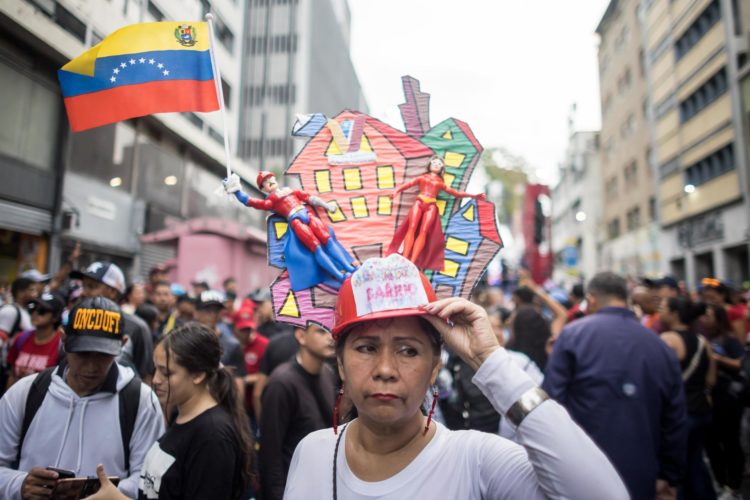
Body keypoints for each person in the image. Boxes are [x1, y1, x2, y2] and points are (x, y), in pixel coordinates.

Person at [284, 255, 627, 499]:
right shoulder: (311, 451)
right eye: (366, 348)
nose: (385, 370)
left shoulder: (478, 462)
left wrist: (489, 360)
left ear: (436, 367)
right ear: (340, 364)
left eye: (408, 351)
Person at [0, 296, 164, 499]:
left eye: (103, 355)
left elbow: (147, 478)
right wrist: (20, 485)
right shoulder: (26, 392)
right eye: (83, 353)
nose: (91, 366)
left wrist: (108, 495)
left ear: (123, 344)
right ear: (63, 340)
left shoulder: (141, 401)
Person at [543, 271, 687, 500]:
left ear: (590, 300)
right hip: (643, 472)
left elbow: (550, 405)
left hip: (583, 471)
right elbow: (675, 418)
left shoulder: (572, 336)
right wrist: (669, 475)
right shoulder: (659, 345)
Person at [89, 322, 255, 500]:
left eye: (166, 373)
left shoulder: (212, 435)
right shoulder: (182, 414)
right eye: (155, 370)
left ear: (198, 375)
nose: (156, 380)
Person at [224, 171, 356, 289]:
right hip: (296, 221)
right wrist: (237, 192)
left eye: (270, 178)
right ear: (263, 188)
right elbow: (252, 202)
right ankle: (340, 276)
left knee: (328, 240)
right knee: (316, 247)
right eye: (265, 182)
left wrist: (326, 206)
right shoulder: (271, 201)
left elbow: (308, 198)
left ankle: (349, 267)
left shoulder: (290, 190)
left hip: (307, 214)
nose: (269, 181)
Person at [259, 323, 337, 500]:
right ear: (301, 336)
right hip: (291, 487)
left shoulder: (327, 372)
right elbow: (270, 454)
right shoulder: (281, 383)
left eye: (331, 331)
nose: (330, 337)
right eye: (321, 331)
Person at [660, 297, 717, 500]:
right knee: (696, 463)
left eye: (663, 307)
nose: (660, 310)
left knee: (677, 470)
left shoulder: (668, 339)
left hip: (680, 414)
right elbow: (711, 378)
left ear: (674, 314)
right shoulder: (703, 341)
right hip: (702, 410)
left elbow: (659, 379)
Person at [386, 155, 485, 269]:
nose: (436, 165)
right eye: (435, 163)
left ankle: (412, 262)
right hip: (419, 202)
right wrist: (396, 192)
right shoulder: (423, 177)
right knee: (412, 227)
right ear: (430, 164)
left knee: (424, 231)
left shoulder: (440, 183)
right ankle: (406, 257)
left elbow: (456, 193)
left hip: (431, 206)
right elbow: (407, 185)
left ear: (442, 168)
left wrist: (473, 196)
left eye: (439, 164)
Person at [71, 262, 154, 382]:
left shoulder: (136, 327)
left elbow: (145, 376)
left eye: (92, 286)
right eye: (83, 286)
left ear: (113, 292)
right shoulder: (75, 319)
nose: (83, 292)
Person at [702, 304, 745, 499]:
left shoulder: (729, 339)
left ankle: (734, 484)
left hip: (728, 397)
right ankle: (720, 482)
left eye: (709, 316)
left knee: (730, 441)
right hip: (710, 398)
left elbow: (739, 363)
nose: (705, 319)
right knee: (712, 442)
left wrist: (716, 358)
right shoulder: (705, 339)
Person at [5, 292, 64, 388]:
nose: (35, 313)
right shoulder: (21, 338)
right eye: (33, 308)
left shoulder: (61, 344)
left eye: (42, 311)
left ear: (55, 317)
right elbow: (12, 375)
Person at [194, 290, 246, 399]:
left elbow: (238, 383)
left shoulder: (232, 345)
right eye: (207, 310)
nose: (212, 314)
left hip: (219, 403)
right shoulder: (184, 341)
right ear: (196, 312)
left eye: (216, 310)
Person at [233, 307, 268, 423]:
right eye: (243, 329)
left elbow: (270, 374)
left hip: (256, 406)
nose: (246, 333)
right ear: (234, 328)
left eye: (249, 329)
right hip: (235, 408)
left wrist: (246, 379)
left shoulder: (264, 344)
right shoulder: (230, 346)